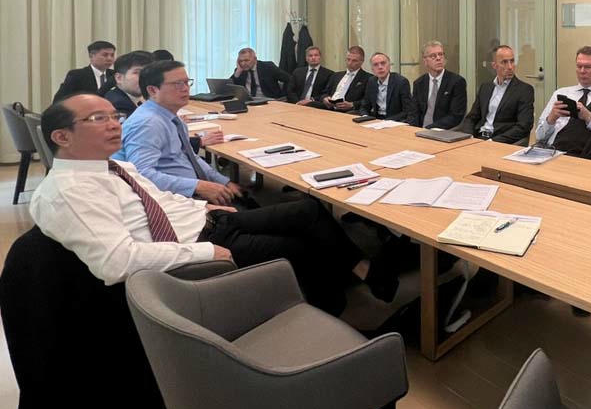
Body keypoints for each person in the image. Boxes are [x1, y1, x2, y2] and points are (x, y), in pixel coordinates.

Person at [29, 94, 400, 314]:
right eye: (99, 119)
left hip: (205, 221)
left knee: (307, 209)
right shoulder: (69, 191)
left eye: (115, 116)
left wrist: (204, 207)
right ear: (62, 136)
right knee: (301, 246)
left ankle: (363, 270)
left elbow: (158, 199)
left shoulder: (114, 166)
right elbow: (117, 262)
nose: (114, 125)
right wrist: (207, 252)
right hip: (194, 245)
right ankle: (331, 313)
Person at [116, 60, 241, 205]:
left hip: (190, 193)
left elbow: (191, 157)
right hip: (172, 202)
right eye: (178, 84)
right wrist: (197, 186)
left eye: (187, 82)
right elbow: (141, 175)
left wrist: (223, 182)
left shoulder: (171, 117)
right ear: (153, 90)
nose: (185, 89)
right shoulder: (148, 123)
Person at [535, 46, 591, 160]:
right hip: (554, 153)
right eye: (579, 66)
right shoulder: (560, 93)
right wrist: (551, 119)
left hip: (589, 158)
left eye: (588, 67)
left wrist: (589, 118)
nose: (582, 71)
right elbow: (539, 137)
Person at [460, 45, 534, 143]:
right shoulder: (485, 88)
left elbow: (524, 126)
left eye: (512, 61)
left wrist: (493, 141)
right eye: (504, 62)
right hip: (478, 137)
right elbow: (471, 118)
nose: (510, 67)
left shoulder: (524, 90)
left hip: (499, 140)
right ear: (494, 65)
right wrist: (469, 136)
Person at [407, 40, 467, 129]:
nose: (438, 58)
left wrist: (429, 129)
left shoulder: (457, 82)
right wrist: (412, 130)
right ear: (425, 61)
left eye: (440, 54)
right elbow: (413, 112)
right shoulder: (419, 83)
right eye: (433, 56)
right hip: (419, 130)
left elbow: (456, 116)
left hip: (442, 130)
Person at [357, 53, 411, 121]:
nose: (380, 67)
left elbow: (407, 110)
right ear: (372, 69)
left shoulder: (401, 82)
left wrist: (386, 121)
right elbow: (364, 106)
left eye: (383, 63)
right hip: (376, 120)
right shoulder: (371, 81)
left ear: (389, 65)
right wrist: (365, 117)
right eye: (375, 65)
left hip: (394, 120)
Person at [103, 50, 153, 118]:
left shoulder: (147, 98)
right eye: (137, 72)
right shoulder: (118, 104)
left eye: (149, 72)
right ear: (119, 78)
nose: (145, 77)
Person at [321, 45, 372, 111]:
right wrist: (325, 98)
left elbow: (368, 100)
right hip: (329, 107)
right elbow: (324, 92)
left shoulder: (368, 78)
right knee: (312, 104)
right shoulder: (336, 75)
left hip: (348, 111)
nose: (350, 63)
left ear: (361, 61)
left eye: (354, 61)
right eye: (348, 59)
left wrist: (353, 104)